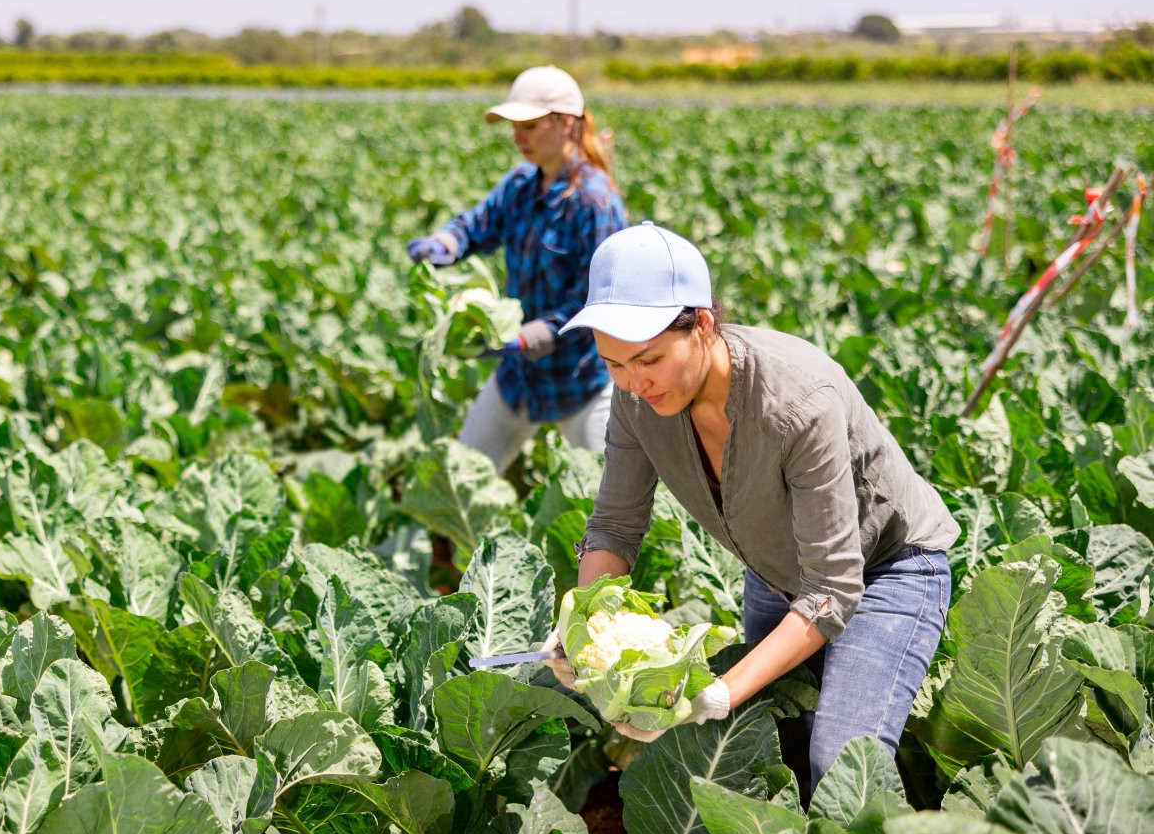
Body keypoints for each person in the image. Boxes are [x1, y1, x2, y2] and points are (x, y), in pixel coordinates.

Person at [560, 222, 958, 796]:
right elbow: (615, 527)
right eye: (614, 364)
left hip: (887, 570)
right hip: (777, 569)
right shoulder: (635, 400)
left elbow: (831, 588)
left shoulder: (798, 401)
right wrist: (584, 628)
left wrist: (721, 691)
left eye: (649, 359)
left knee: (839, 765)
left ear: (700, 324)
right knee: (768, 747)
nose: (634, 382)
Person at [407, 65, 626, 473]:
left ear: (564, 124)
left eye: (529, 124)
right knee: (460, 479)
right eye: (514, 126)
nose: (517, 136)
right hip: (519, 378)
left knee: (608, 502)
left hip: (579, 379)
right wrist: (444, 244)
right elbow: (479, 224)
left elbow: (597, 300)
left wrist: (531, 336)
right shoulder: (522, 184)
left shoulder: (595, 203)